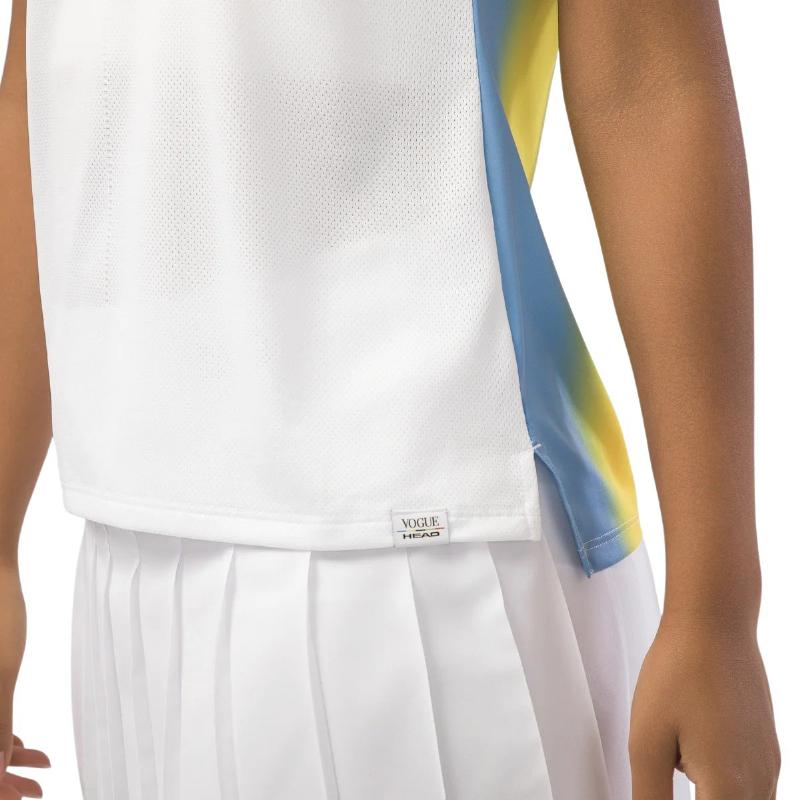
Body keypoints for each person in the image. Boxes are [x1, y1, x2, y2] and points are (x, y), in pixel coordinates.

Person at [0, 0, 781, 797]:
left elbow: (648, 84)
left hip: (429, 544)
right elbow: (43, 84)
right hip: (127, 547)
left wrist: (716, 605)